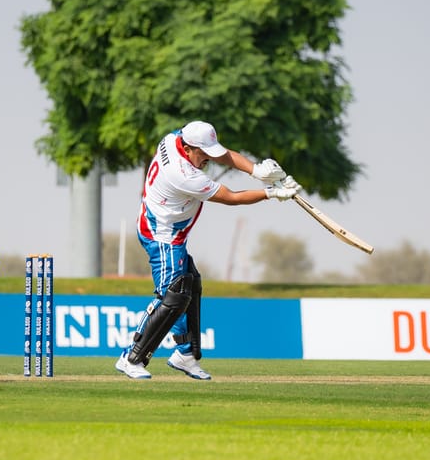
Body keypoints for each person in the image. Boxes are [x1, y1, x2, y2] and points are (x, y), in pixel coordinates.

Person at [116, 121, 302, 380]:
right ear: (189, 147)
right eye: (203, 154)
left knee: (189, 286)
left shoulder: (174, 138)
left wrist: (257, 170)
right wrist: (271, 193)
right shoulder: (183, 175)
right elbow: (231, 197)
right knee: (172, 295)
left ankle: (186, 355)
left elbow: (224, 154)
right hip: (162, 235)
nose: (208, 159)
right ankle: (132, 357)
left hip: (167, 229)